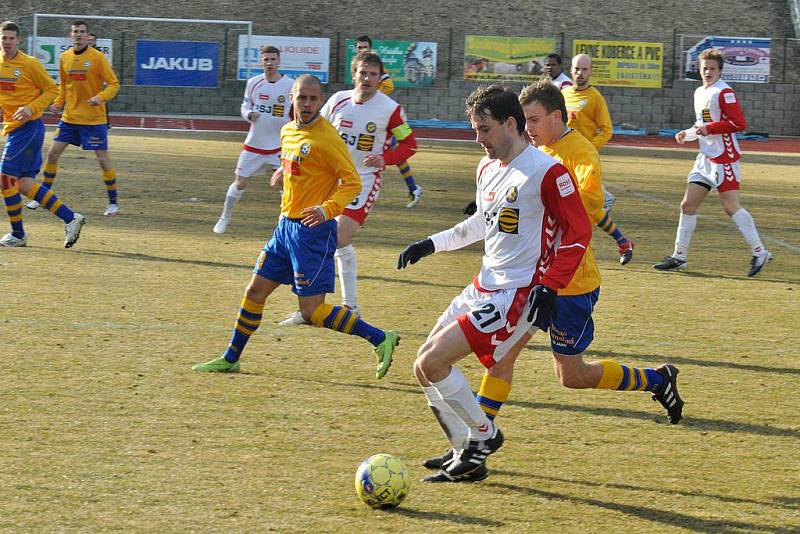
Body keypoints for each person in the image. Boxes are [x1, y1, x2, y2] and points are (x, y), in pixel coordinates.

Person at [397, 85, 593, 482]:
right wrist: (430, 244)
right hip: (484, 285)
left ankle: (484, 437)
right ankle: (464, 450)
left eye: (484, 129)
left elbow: (579, 232)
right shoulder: (487, 169)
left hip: (517, 294)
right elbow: (479, 225)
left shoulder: (548, 172)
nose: (478, 138)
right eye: (474, 129)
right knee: (423, 367)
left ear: (509, 124)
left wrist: (550, 285)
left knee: (432, 362)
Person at [193, 75, 400, 376]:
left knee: (312, 311)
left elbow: (352, 183)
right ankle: (230, 357)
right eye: (302, 97)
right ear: (292, 97)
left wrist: (326, 209)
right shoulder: (288, 130)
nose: (307, 104)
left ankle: (381, 338)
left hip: (313, 233)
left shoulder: (327, 137)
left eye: (313, 99)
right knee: (254, 292)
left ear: (320, 101)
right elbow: (299, 163)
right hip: (285, 228)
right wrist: (283, 172)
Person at [280, 52, 417, 325]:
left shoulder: (390, 109)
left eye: (373, 74)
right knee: (322, 238)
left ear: (381, 79)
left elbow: (409, 145)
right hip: (330, 179)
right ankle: (322, 307)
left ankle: (339, 306)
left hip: (363, 181)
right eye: (363, 72)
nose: (367, 78)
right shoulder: (337, 101)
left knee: (337, 239)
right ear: (354, 73)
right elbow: (313, 130)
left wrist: (385, 158)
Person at [654, 49, 772, 276]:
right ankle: (679, 256)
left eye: (712, 69)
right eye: (704, 68)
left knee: (730, 206)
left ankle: (760, 252)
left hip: (724, 158)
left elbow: (738, 122)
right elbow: (701, 123)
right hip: (705, 159)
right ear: (699, 69)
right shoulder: (700, 92)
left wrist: (710, 128)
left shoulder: (724, 92)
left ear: (720, 71)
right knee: (687, 205)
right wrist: (687, 134)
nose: (707, 72)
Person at [0, 20, 85, 248]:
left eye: (11, 38)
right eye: (3, 37)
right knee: (24, 184)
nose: (7, 42)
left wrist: (30, 108)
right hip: (14, 129)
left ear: (18, 40)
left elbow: (52, 89)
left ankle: (18, 234)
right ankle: (71, 218)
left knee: (5, 177)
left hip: (28, 128)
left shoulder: (30, 64)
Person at [25, 20, 120, 216]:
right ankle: (44, 196)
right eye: (75, 31)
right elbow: (64, 86)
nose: (78, 35)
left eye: (82, 32)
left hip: (94, 120)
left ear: (87, 36)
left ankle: (113, 203)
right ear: (71, 35)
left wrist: (100, 97)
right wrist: (58, 103)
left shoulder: (98, 58)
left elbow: (113, 84)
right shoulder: (64, 57)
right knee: (52, 154)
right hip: (70, 118)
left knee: (103, 160)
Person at [213, 46, 294, 234]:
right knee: (240, 182)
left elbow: (296, 111)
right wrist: (249, 113)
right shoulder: (253, 83)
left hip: (280, 145)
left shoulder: (290, 84)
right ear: (261, 62)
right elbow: (244, 105)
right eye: (266, 59)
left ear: (279, 61)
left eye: (273, 59)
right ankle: (224, 217)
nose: (269, 63)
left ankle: (285, 224)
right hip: (255, 144)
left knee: (286, 185)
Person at [562, 53, 634, 265]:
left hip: (584, 163)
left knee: (583, 207)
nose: (580, 73)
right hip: (563, 159)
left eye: (584, 69)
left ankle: (575, 248)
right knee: (578, 206)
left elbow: (606, 129)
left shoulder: (595, 98)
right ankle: (623, 242)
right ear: (571, 69)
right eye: (576, 69)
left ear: (591, 71)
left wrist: (588, 150)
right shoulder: (563, 93)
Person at [355, 35, 423, 208]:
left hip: (380, 124)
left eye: (364, 47)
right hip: (365, 121)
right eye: (359, 47)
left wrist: (376, 100)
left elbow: (389, 85)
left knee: (395, 152)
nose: (361, 50)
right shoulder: (358, 70)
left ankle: (413, 188)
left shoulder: (377, 69)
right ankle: (413, 188)